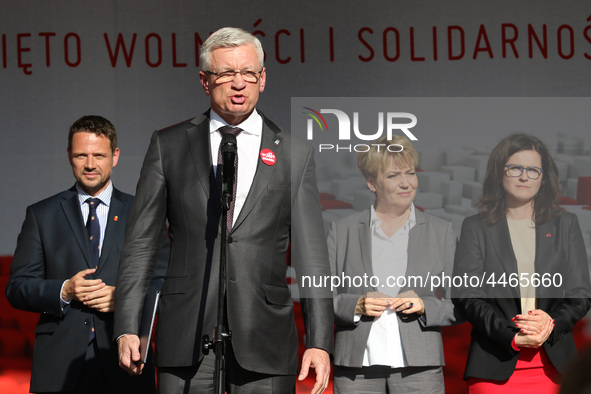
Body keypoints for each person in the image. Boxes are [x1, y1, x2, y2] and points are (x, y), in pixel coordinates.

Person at [114, 27, 333, 394]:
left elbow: (313, 257)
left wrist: (320, 339)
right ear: (204, 81)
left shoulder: (294, 154)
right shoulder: (169, 146)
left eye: (249, 73)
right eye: (226, 74)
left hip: (265, 339)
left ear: (263, 80)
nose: (238, 84)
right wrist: (127, 325)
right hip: (186, 337)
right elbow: (140, 244)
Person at [5, 115, 169, 394]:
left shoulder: (142, 213)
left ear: (115, 156)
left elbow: (165, 281)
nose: (90, 164)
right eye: (81, 155)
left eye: (99, 155)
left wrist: (125, 299)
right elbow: (17, 287)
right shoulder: (41, 215)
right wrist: (65, 290)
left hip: (124, 356)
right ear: (69, 155)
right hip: (60, 364)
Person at [452, 133, 591, 393]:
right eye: (515, 168)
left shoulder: (566, 224)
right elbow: (468, 296)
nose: (524, 177)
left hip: (555, 366)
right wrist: (512, 337)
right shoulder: (475, 227)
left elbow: (580, 296)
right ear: (498, 172)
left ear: (543, 177)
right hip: (495, 364)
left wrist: (549, 324)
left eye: (533, 170)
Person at [328, 135, 460, 393]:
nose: (406, 183)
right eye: (393, 176)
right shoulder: (341, 230)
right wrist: (354, 305)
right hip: (356, 367)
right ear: (371, 182)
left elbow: (462, 303)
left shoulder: (441, 231)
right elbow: (319, 297)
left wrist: (425, 306)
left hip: (420, 366)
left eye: (410, 173)